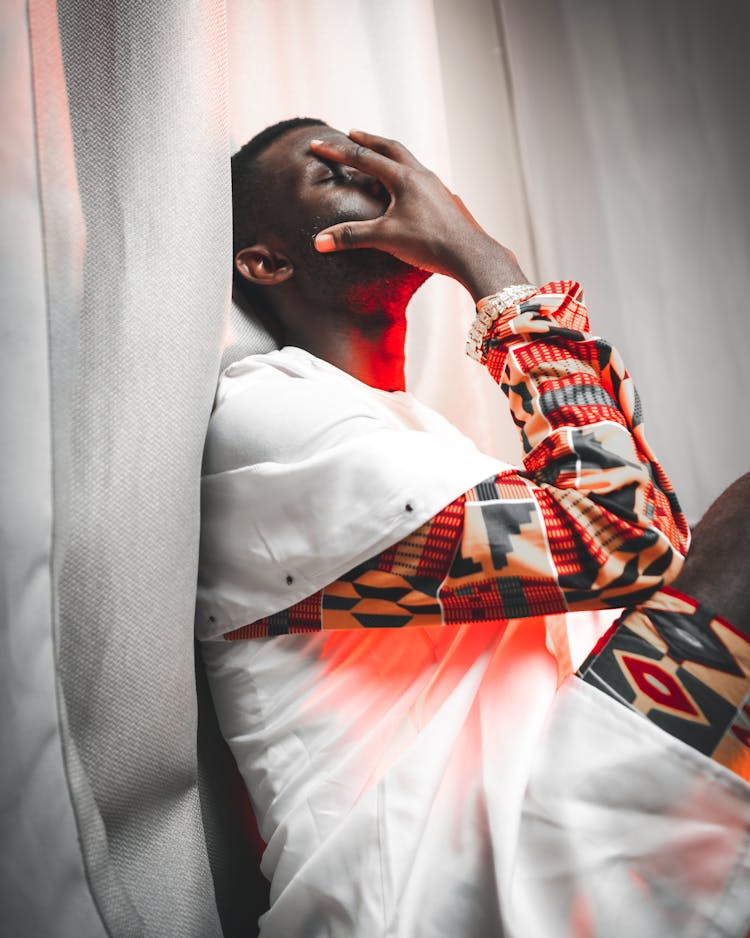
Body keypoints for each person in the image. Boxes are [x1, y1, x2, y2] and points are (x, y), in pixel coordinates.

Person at [197, 118, 749, 936]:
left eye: (376, 155)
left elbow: (648, 544)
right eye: (333, 173)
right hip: (449, 893)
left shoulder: (411, 433)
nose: (384, 177)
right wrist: (487, 264)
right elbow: (626, 539)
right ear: (268, 260)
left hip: (561, 822)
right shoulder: (264, 417)